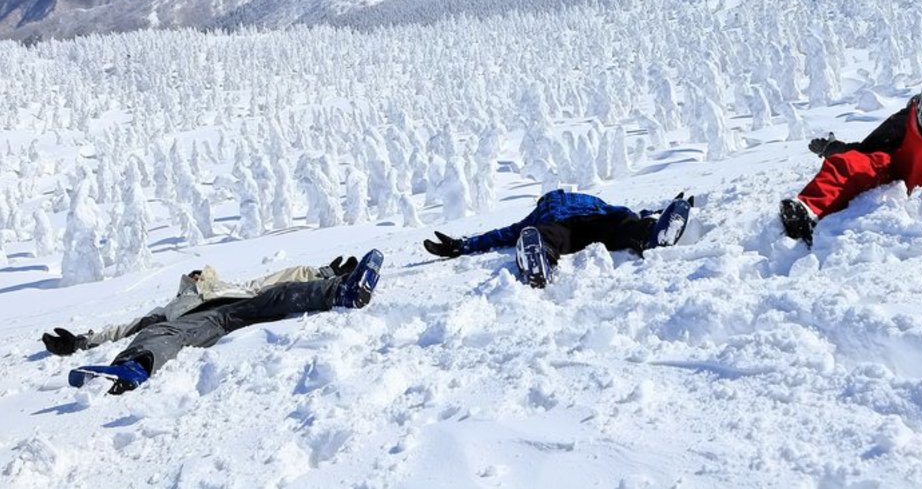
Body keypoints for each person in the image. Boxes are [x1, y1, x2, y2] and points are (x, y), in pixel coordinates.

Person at [44, 249, 383, 394]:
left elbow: (278, 277)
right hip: (203, 321)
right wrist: (80, 342)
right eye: (191, 275)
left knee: (282, 293)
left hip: (242, 306)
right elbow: (121, 329)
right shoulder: (171, 307)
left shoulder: (227, 285)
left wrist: (321, 272)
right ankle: (133, 368)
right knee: (163, 331)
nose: (196, 275)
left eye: (200, 273)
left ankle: (345, 291)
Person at [781, 57, 922, 247]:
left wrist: (832, 148)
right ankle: (806, 212)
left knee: (921, 146)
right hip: (891, 163)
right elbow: (859, 153)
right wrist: (831, 149)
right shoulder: (902, 121)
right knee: (848, 164)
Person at [423, 189, 693, 287]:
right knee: (538, 234)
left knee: (623, 222)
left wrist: (654, 214)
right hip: (568, 228)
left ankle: (655, 234)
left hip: (590, 222)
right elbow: (504, 233)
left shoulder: (561, 204)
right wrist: (462, 244)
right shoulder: (544, 210)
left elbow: (622, 212)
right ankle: (539, 260)